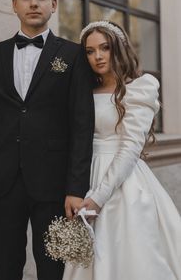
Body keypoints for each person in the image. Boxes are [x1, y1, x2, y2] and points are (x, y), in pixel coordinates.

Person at [0, 0, 94, 280]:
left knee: (53, 269)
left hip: (54, 185)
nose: (34, 3)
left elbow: (81, 124)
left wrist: (76, 187)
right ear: (14, 4)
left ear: (54, 4)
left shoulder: (73, 56)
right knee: (5, 268)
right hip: (0, 183)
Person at [63, 21, 181, 280]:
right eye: (90, 51)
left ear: (119, 48)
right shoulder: (84, 91)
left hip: (122, 182)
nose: (98, 56)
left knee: (128, 256)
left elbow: (129, 149)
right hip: (85, 175)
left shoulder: (139, 87)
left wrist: (97, 198)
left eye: (105, 48)